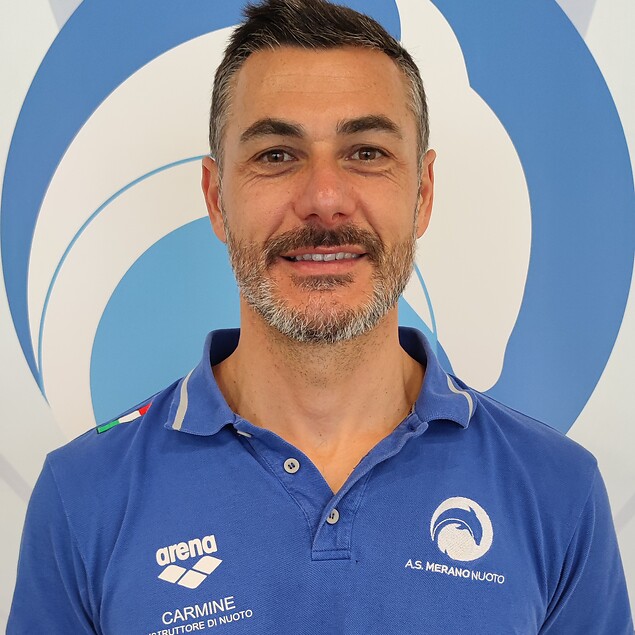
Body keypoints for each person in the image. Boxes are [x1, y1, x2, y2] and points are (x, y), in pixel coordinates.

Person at [8, 0, 633, 633]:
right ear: (216, 199)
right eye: (277, 155)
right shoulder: (83, 494)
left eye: (366, 152)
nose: (325, 199)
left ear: (422, 193)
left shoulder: (557, 490)